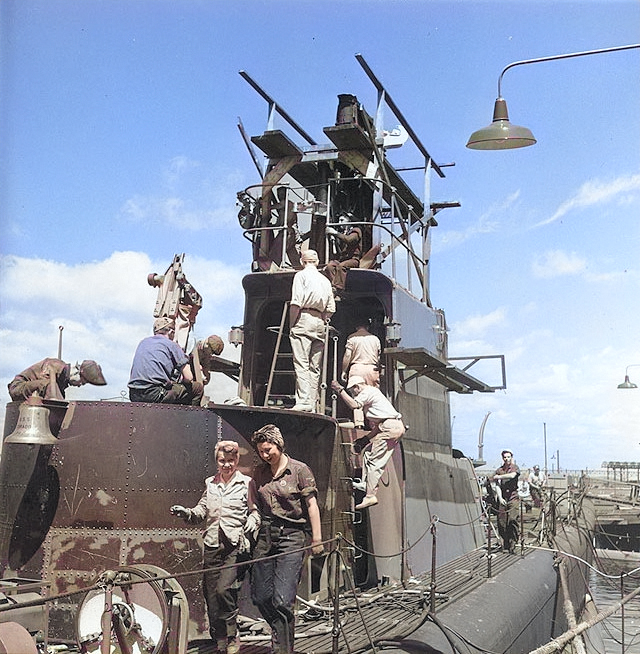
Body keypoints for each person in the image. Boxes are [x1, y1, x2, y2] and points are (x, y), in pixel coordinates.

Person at [170, 441, 260, 654]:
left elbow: (255, 510)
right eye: (222, 461)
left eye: (231, 461)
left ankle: (232, 635)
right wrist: (187, 513)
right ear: (217, 461)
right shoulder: (210, 483)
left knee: (224, 590)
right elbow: (202, 511)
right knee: (211, 594)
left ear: (237, 460)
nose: (227, 465)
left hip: (235, 545)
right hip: (212, 544)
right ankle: (219, 635)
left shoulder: (247, 483)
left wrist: (253, 520)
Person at [250, 424, 323, 654]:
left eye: (268, 449)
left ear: (279, 445)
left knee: (283, 600)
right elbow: (255, 499)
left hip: (292, 535)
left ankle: (282, 649)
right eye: (261, 451)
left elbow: (311, 506)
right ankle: (279, 631)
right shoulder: (260, 472)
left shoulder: (300, 470)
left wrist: (317, 539)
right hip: (266, 535)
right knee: (261, 596)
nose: (265, 455)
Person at [331, 376, 405, 510]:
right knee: (368, 453)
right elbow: (381, 425)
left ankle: (370, 496)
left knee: (373, 461)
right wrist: (366, 439)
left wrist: (340, 390)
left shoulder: (367, 392)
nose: (353, 394)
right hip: (391, 427)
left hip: (390, 427)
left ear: (357, 387)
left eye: (352, 391)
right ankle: (366, 484)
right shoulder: (373, 394)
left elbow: (354, 405)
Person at [288, 249, 336, 412]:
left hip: (304, 318)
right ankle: (313, 404)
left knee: (301, 363)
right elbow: (331, 309)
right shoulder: (326, 281)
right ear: (317, 261)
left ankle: (303, 402)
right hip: (320, 323)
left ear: (302, 261)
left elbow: (296, 303)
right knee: (315, 367)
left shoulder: (300, 276)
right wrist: (321, 319)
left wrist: (291, 324)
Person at [128, 317, 204, 405]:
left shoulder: (143, 342)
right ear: (171, 332)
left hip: (134, 394)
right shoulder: (172, 345)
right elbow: (189, 377)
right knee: (197, 388)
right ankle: (190, 418)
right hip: (154, 394)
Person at [8, 358, 106, 402]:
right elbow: (47, 387)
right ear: (77, 373)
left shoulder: (61, 380)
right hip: (17, 387)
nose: (79, 385)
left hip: (32, 391)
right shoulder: (54, 366)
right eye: (82, 382)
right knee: (50, 386)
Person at [324, 213, 362, 297]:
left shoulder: (356, 231)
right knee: (330, 266)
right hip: (343, 259)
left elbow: (349, 240)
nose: (339, 222)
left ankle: (338, 288)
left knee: (341, 266)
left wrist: (335, 233)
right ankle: (335, 287)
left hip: (353, 259)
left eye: (342, 220)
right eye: (339, 220)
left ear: (349, 221)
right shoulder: (343, 233)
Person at [493, 449, 520, 553]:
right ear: (502, 458)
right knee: (502, 522)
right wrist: (500, 498)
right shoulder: (499, 470)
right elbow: (497, 485)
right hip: (503, 497)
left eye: (508, 457)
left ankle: (513, 542)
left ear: (511, 457)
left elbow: (512, 475)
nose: (506, 459)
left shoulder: (515, 468)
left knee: (512, 520)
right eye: (505, 457)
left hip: (513, 497)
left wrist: (499, 476)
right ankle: (505, 543)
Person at [341, 319, 381, 387]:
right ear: (368, 327)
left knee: (357, 396)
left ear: (356, 327)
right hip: (372, 369)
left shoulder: (352, 338)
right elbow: (378, 357)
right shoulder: (375, 339)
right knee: (373, 395)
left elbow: (347, 355)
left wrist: (344, 371)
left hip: (357, 369)